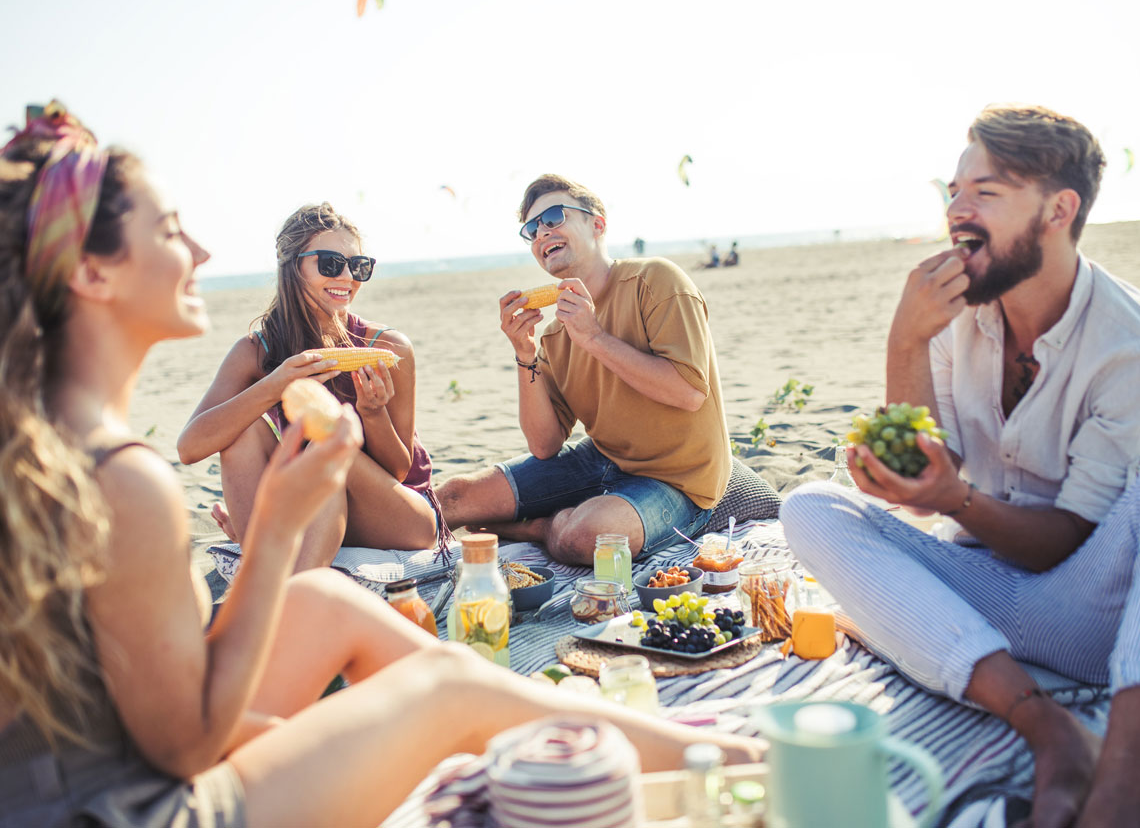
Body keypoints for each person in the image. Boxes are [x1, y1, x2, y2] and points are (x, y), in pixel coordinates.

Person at [0, 103, 762, 828]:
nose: (201, 252)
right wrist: (273, 531)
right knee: (444, 683)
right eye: (171, 231)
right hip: (124, 807)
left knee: (330, 605)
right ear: (91, 274)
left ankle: (712, 757)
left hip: (61, 779)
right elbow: (184, 746)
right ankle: (741, 763)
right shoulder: (126, 479)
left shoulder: (45, 441)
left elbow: (140, 710)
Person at [780, 104, 1140, 826]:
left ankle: (1120, 789)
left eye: (987, 191)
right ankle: (1052, 733)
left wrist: (956, 499)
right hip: (977, 588)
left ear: (1058, 210)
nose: (957, 209)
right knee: (808, 507)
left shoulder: (1123, 343)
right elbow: (915, 488)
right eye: (953, 189)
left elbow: (1066, 538)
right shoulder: (954, 312)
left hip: (1092, 613)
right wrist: (906, 341)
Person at [438, 175, 732, 566]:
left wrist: (593, 337)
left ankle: (537, 528)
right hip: (603, 459)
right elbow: (544, 445)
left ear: (598, 224)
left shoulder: (656, 280)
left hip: (680, 480)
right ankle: (565, 512)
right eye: (531, 229)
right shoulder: (556, 334)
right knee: (452, 498)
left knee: (588, 537)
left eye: (554, 217)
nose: (542, 232)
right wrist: (524, 353)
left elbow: (688, 392)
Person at [178, 203, 445, 571]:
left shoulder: (387, 347)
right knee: (241, 430)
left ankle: (292, 595)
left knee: (325, 453)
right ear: (292, 266)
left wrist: (372, 412)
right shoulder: (256, 352)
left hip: (400, 516)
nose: (347, 277)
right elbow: (191, 447)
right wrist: (275, 384)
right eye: (331, 263)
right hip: (313, 510)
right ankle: (267, 564)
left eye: (359, 266)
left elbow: (399, 471)